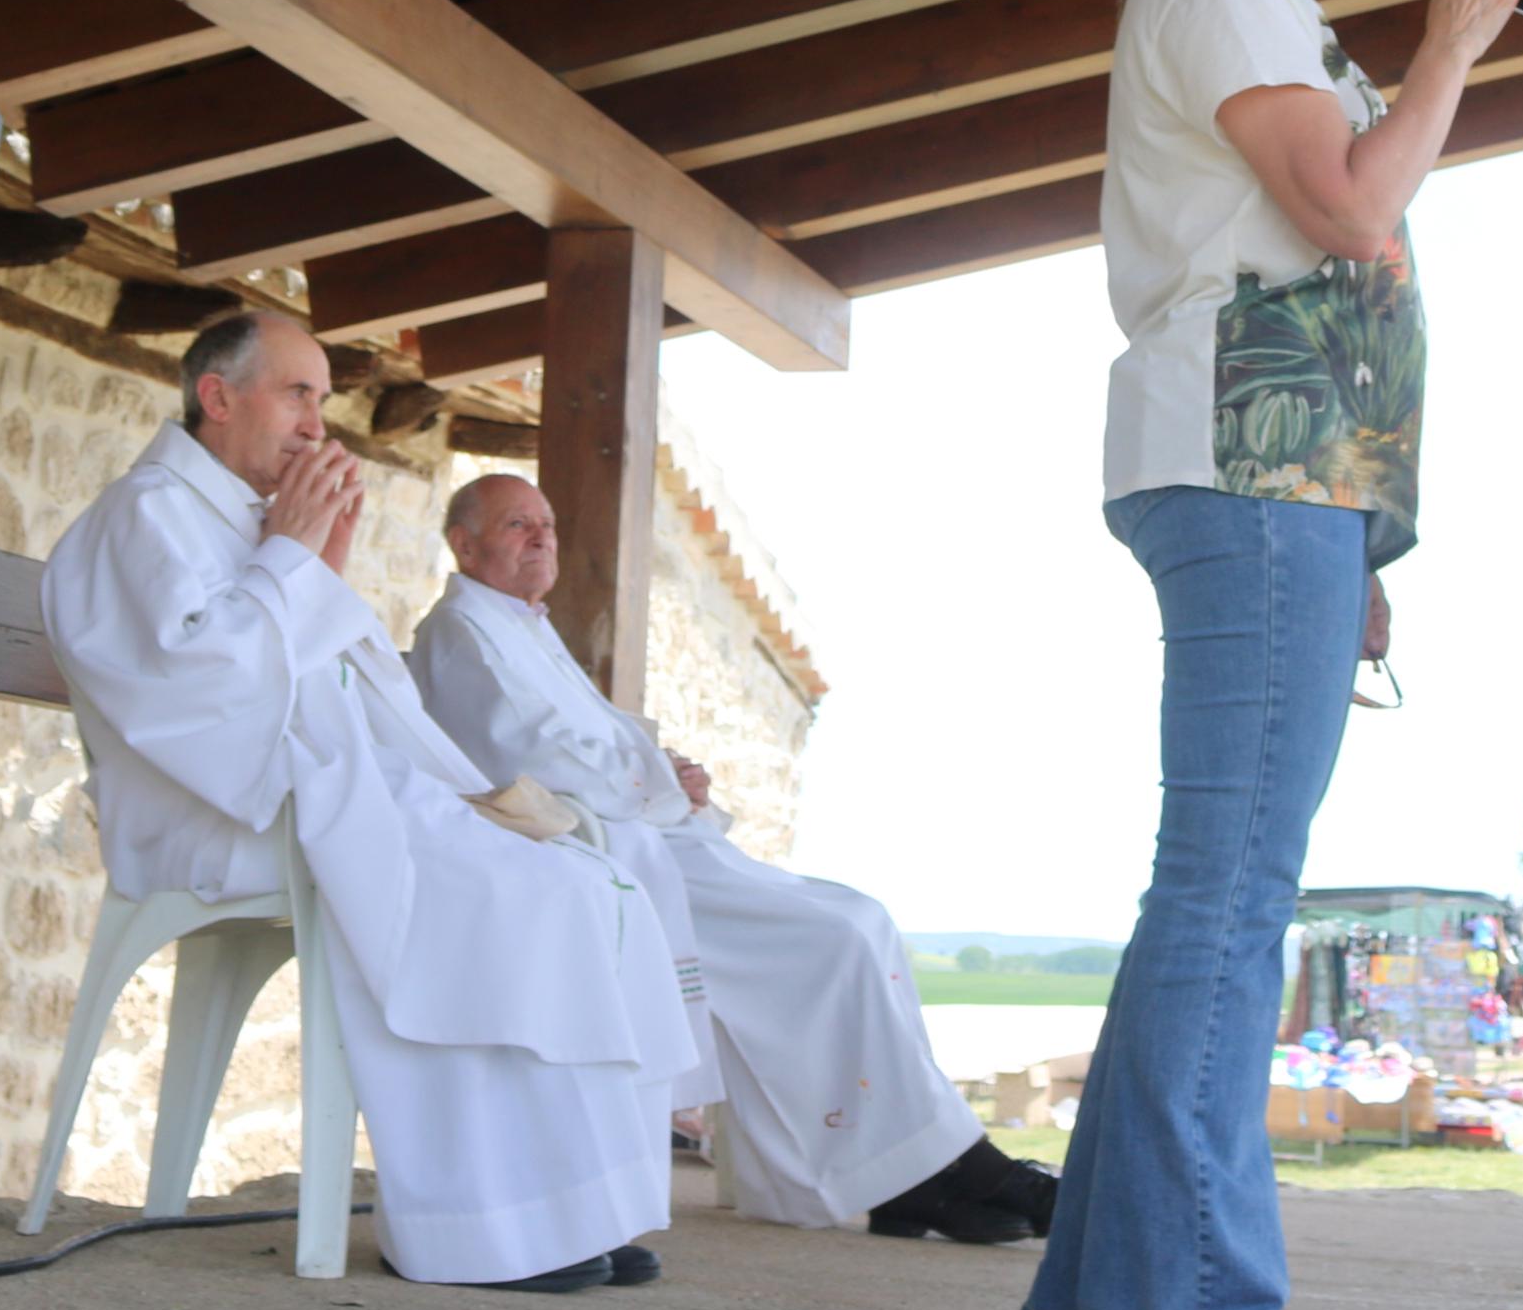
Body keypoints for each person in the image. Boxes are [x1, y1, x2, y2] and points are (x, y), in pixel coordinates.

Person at [1023, 0, 1523, 1310]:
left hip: (1284, 480)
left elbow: (1325, 252)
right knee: (1229, 900)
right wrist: (1452, 40)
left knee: (1220, 895)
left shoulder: (1253, 8)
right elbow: (1350, 213)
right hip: (1245, 476)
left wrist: (1361, 522)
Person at [40, 311, 693, 1291]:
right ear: (218, 396)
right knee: (485, 887)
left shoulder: (235, 515)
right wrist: (297, 558)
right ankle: (473, 1226)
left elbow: (317, 674)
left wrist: (315, 563)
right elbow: (198, 690)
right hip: (217, 814)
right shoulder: (146, 514)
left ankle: (566, 1205)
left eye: (322, 397)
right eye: (297, 392)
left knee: (574, 878)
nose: (317, 422)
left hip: (312, 787)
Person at [406, 474, 1046, 1247]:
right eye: (516, 524)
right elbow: (523, 754)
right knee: (839, 935)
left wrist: (671, 771)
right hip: (601, 852)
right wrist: (660, 786)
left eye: (544, 521)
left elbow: (601, 742)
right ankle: (938, 1169)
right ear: (464, 544)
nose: (541, 536)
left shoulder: (523, 626)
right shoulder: (462, 631)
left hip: (648, 829)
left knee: (862, 920)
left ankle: (909, 1178)